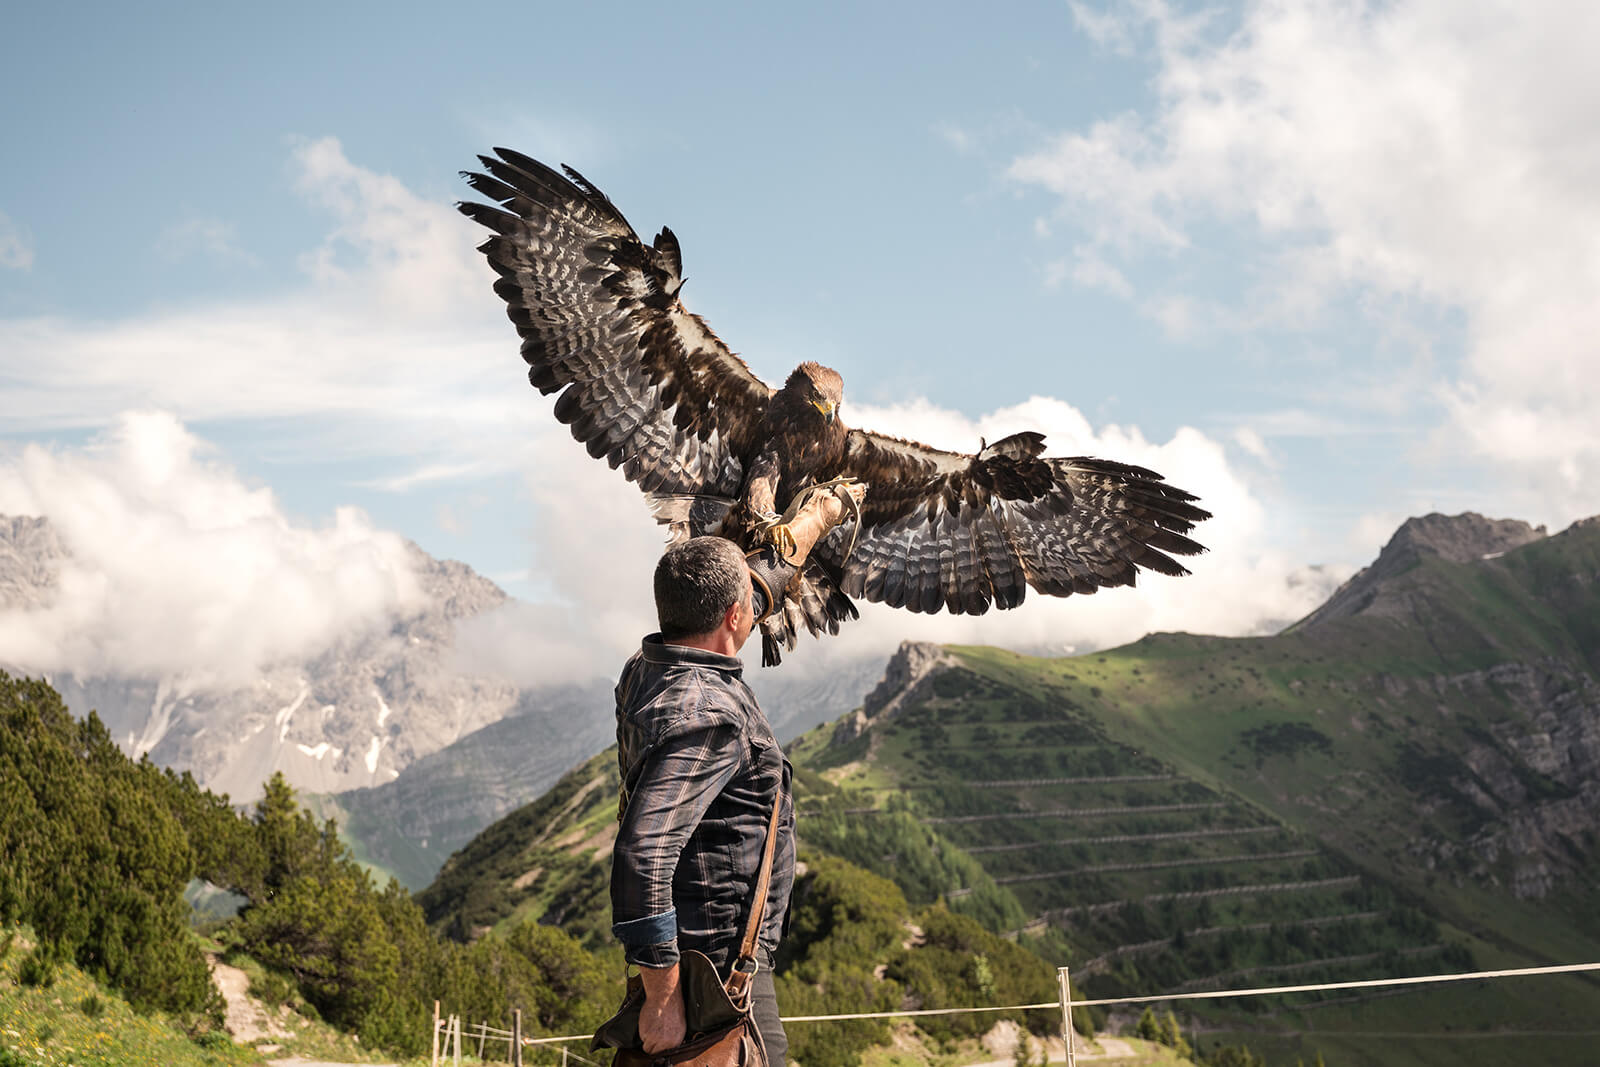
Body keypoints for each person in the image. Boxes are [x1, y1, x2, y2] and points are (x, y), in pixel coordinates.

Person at [610, 483, 865, 1067]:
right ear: (734, 616)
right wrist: (663, 999)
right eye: (746, 603)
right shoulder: (709, 716)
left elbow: (751, 586)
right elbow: (643, 856)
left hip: (709, 963)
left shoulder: (648, 667)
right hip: (713, 977)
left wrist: (815, 521)